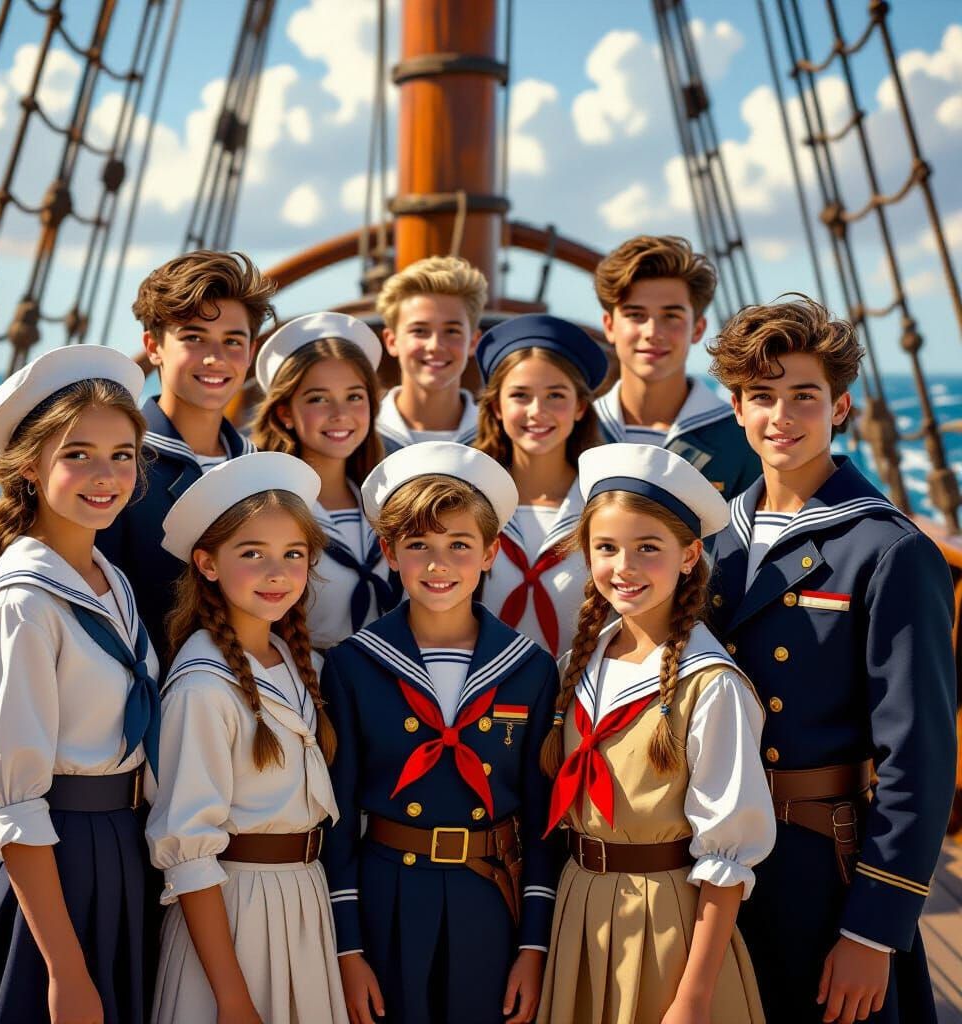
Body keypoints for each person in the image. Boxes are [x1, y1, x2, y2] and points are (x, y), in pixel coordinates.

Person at [706, 296, 957, 1024]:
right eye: (762, 396)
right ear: (737, 407)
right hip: (715, 863)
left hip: (823, 866)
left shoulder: (889, 551)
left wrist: (874, 928)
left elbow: (918, 757)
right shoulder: (715, 543)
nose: (781, 416)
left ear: (841, 406)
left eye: (803, 396)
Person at [0, 346, 159, 1024]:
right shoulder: (25, 605)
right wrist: (64, 970)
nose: (107, 475)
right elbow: (16, 804)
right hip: (58, 864)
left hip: (121, 848)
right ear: (30, 466)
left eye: (123, 454)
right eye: (79, 454)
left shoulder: (106, 580)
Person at [321, 442, 561, 1024]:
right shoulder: (355, 664)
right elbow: (336, 813)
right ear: (388, 552)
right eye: (418, 547)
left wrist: (534, 945)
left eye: (459, 545)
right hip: (388, 894)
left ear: (490, 554)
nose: (438, 564)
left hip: (489, 896)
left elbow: (542, 820)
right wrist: (348, 948)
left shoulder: (529, 668)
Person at [538, 442, 775, 1024]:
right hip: (579, 908)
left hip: (666, 921)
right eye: (607, 548)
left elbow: (728, 856)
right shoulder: (579, 660)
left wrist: (693, 998)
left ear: (691, 554)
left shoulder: (711, 684)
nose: (626, 567)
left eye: (649, 548)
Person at [147, 451, 347, 1024]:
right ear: (207, 564)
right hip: (237, 915)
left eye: (293, 555)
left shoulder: (284, 654)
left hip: (300, 902)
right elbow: (188, 849)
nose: (276, 572)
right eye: (251, 554)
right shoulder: (202, 686)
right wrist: (232, 999)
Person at [98, 249, 275, 656]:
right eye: (194, 338)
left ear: (250, 351)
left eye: (233, 341)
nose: (215, 358)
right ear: (153, 346)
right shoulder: (118, 467)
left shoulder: (263, 472)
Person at [251, 312, 397, 649]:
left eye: (354, 397)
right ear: (285, 412)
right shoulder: (264, 508)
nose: (340, 414)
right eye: (318, 398)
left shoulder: (387, 503)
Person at [473, 314, 605, 656]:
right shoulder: (467, 499)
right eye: (520, 395)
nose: (537, 411)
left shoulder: (604, 503)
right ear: (496, 407)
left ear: (579, 407)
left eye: (555, 395)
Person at [592, 235, 760, 498]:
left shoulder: (744, 441)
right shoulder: (573, 431)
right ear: (609, 326)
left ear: (698, 328)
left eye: (671, 316)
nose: (652, 331)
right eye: (635, 314)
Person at [375, 255, 487, 453]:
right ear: (391, 341)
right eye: (419, 331)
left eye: (452, 331)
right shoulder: (361, 435)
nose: (435, 345)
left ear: (473, 342)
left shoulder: (498, 439)